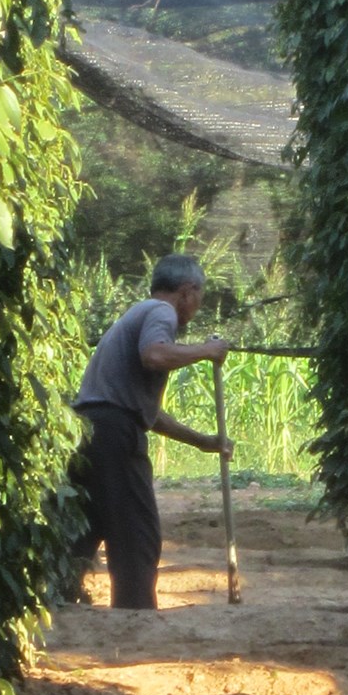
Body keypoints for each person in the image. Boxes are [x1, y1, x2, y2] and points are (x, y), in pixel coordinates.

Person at [69, 253, 233, 610]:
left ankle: (57, 599)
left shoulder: (136, 314)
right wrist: (206, 351)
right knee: (136, 531)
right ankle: (135, 613)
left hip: (91, 430)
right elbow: (154, 356)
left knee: (89, 523)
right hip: (113, 433)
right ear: (187, 291)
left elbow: (147, 414)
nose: (196, 307)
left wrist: (204, 442)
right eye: (199, 297)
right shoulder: (161, 313)